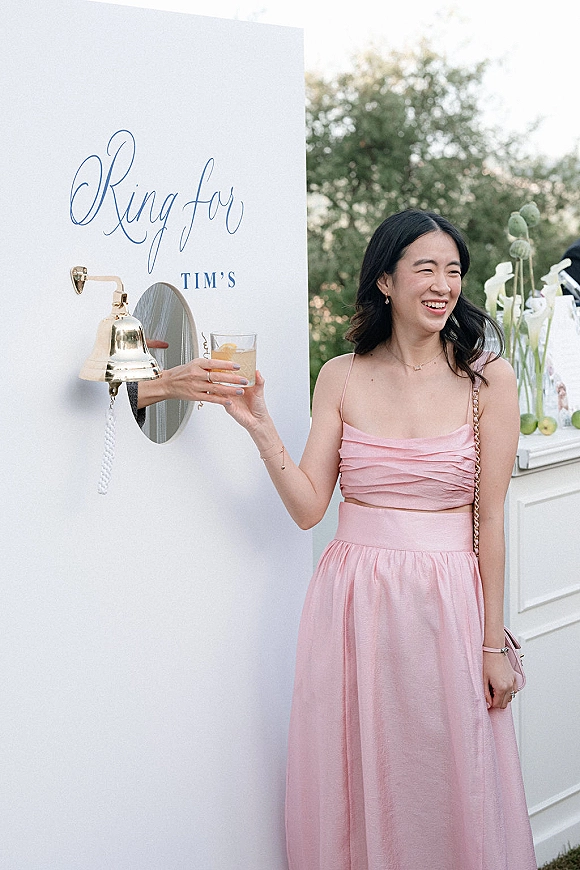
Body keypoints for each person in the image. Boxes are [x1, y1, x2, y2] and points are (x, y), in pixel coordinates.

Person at [223, 209, 537, 870]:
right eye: (426, 268)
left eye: (454, 270)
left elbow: (490, 520)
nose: (443, 284)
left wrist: (492, 644)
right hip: (352, 604)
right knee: (355, 771)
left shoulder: (488, 379)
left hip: (447, 603)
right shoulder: (340, 374)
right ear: (386, 281)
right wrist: (260, 425)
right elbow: (309, 507)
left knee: (447, 774)